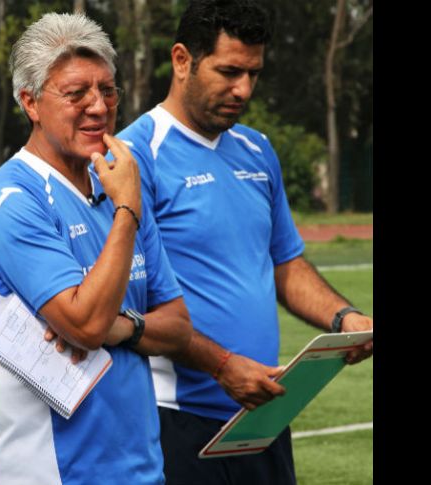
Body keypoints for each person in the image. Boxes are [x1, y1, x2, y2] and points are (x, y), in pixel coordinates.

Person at [115, 1, 374, 484]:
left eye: (253, 74)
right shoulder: (133, 155)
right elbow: (132, 307)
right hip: (175, 418)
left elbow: (286, 264)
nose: (244, 90)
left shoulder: (258, 149)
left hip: (266, 413)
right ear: (181, 60)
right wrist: (223, 367)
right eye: (229, 71)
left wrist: (344, 319)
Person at [0, 12, 198, 484]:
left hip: (140, 470)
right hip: (48, 473)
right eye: (76, 94)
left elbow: (176, 328)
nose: (98, 106)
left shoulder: (116, 187)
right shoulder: (7, 198)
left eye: (107, 90)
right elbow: (87, 323)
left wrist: (122, 328)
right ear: (30, 102)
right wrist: (128, 210)